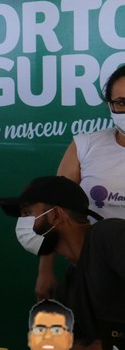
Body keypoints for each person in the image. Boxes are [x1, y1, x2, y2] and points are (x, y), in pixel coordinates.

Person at [0, 175, 125, 350]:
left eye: (27, 213)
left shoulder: (108, 235)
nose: (21, 224)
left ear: (56, 215)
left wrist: (117, 343)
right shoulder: (70, 284)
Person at [36, 65, 125, 300]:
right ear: (110, 105)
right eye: (121, 103)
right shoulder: (85, 146)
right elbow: (54, 211)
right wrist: (45, 270)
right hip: (88, 275)